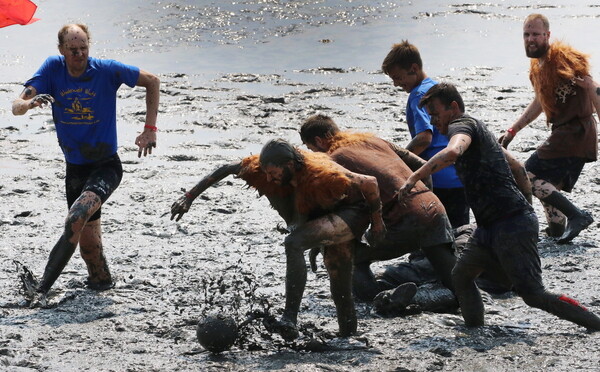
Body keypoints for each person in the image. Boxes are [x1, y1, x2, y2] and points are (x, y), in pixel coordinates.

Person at [398, 82, 600, 332]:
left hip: (511, 225)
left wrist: (414, 177)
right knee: (461, 276)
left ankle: (595, 323)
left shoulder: (460, 126)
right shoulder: (480, 132)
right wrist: (528, 207)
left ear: (453, 107)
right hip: (488, 228)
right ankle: (474, 331)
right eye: (430, 117)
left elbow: (452, 152)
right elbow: (516, 166)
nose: (435, 122)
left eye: (436, 115)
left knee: (533, 294)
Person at [171, 139, 387, 340]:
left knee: (294, 243)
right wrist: (189, 197)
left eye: (273, 173)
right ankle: (347, 338)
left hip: (352, 212)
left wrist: (377, 224)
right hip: (326, 217)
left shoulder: (321, 173)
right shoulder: (264, 168)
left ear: (290, 165)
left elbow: (370, 183)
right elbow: (226, 169)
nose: (268, 179)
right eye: (265, 173)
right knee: (339, 286)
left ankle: (289, 318)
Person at [12, 23, 160, 307]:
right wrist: (29, 105)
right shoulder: (52, 69)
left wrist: (150, 128)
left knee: (75, 218)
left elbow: (152, 81)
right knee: (88, 244)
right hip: (75, 169)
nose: (79, 54)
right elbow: (16, 106)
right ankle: (101, 280)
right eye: (72, 49)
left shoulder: (106, 70)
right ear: (61, 50)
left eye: (83, 49)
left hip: (106, 166)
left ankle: (40, 290)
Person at [299, 114, 457, 307]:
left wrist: (320, 240)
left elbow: (340, 212)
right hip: (434, 209)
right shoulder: (374, 140)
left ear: (319, 141)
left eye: (311, 149)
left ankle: (378, 299)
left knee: (348, 256)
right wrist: (425, 197)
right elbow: (424, 167)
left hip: (402, 221)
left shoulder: (333, 161)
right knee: (458, 285)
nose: (314, 154)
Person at [499, 13, 599, 243]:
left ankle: (576, 215)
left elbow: (591, 83)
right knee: (546, 183)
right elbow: (540, 102)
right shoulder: (538, 66)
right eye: (526, 34)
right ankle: (557, 230)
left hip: (575, 133)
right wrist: (513, 130)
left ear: (547, 35)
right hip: (565, 133)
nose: (530, 39)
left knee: (528, 176)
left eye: (536, 34)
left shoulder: (562, 58)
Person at [382, 40, 469, 228]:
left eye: (398, 77)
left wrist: (399, 160)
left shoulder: (418, 96)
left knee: (436, 235)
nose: (396, 84)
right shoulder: (437, 88)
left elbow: (424, 138)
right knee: (461, 234)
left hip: (438, 179)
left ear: (413, 68)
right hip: (460, 177)